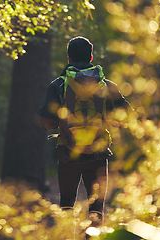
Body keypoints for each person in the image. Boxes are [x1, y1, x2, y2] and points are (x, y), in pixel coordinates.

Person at [38, 36, 131, 225]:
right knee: (96, 209)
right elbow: (127, 117)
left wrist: (63, 123)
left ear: (68, 58)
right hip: (98, 155)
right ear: (91, 58)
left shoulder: (58, 85)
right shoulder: (107, 86)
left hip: (68, 155)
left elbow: (46, 122)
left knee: (66, 206)